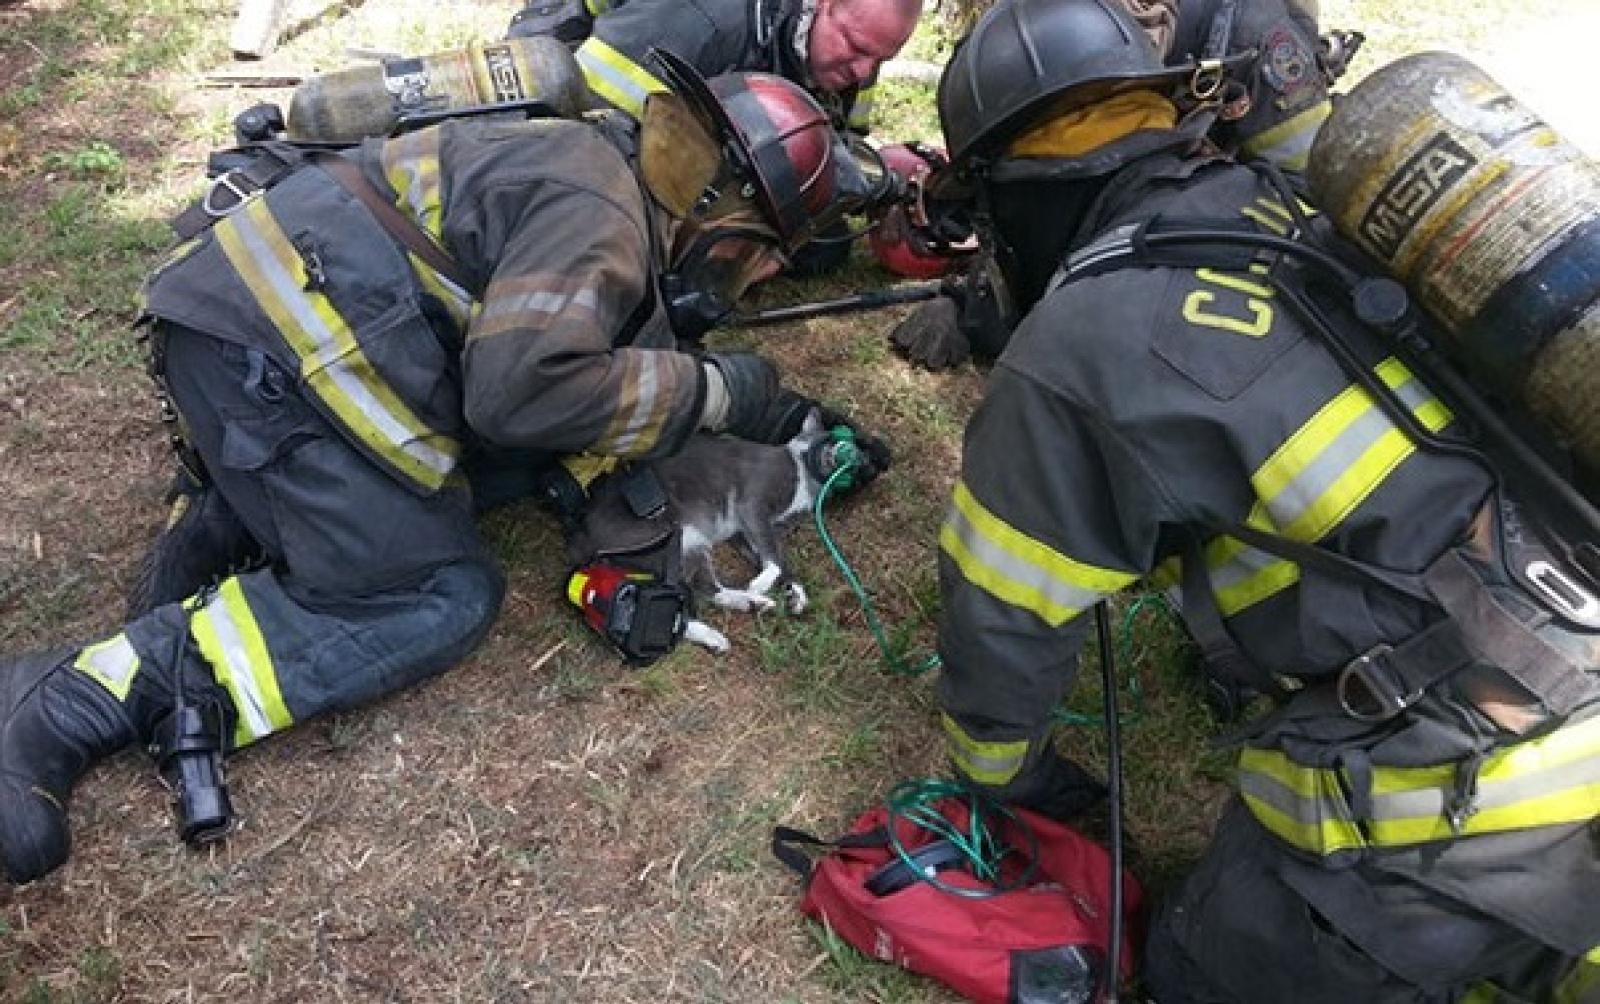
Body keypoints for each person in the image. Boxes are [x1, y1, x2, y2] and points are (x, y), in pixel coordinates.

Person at [0, 57, 886, 886]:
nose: (758, 273)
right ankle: (66, 701)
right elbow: (521, 392)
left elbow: (580, 358)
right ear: (716, 204)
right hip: (274, 370)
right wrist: (710, 389)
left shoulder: (599, 161)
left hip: (243, 333)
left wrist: (782, 418)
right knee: (439, 593)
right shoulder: (602, 217)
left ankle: (236, 507)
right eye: (757, 250)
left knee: (489, 479)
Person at [924, 0, 1600, 998]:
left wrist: (1003, 778)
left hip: (1492, 796)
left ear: (1008, 196)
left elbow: (1002, 608)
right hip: (1572, 604)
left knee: (1196, 970)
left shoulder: (1073, 349)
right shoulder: (1280, 202)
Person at [887, 0, 1345, 369]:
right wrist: (977, 303)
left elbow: (1314, 212)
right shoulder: (1053, 28)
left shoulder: (1254, 31)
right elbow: (1036, 203)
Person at [509, 0, 923, 135]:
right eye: (856, 47)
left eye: (882, 59)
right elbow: (589, 112)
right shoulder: (704, 18)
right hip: (576, 42)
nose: (863, 71)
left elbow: (840, 151)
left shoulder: (861, 46)